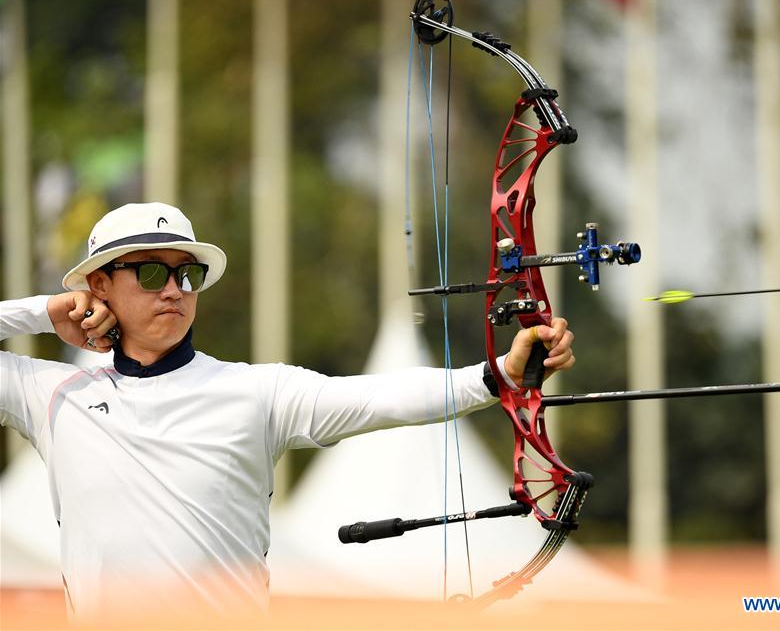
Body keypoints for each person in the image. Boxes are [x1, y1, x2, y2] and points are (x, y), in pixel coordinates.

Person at [0, 202, 575, 623]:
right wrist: (43, 312)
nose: (174, 290)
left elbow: (377, 398)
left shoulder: (256, 391)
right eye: (151, 272)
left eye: (187, 274)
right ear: (100, 284)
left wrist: (496, 373)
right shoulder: (52, 394)